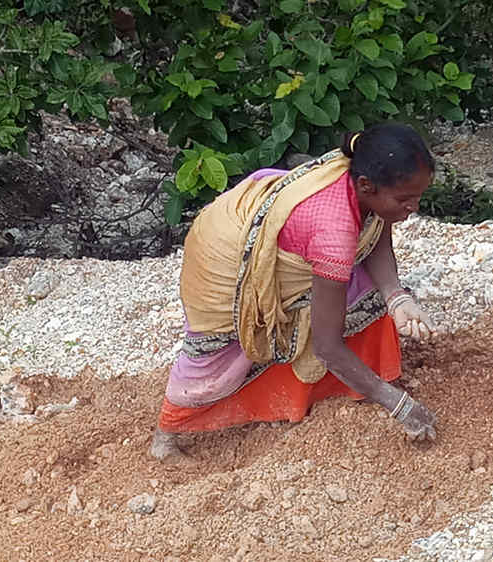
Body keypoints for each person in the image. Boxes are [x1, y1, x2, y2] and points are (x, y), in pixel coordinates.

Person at [150, 122, 438, 462]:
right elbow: (326, 346)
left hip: (277, 227)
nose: (414, 207)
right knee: (219, 351)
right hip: (225, 256)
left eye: (419, 197)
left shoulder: (364, 178)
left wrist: (397, 297)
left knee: (365, 294)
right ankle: (165, 437)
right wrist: (398, 405)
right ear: (366, 186)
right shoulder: (334, 232)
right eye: (405, 199)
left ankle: (336, 388)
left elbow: (375, 233)